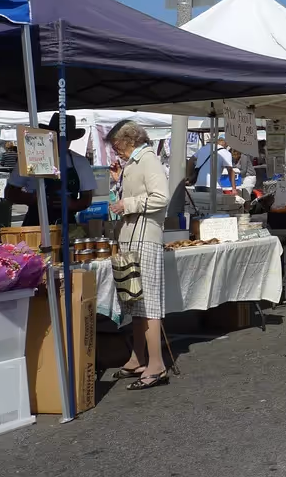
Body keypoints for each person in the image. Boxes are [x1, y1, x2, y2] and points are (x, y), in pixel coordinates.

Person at [107, 120, 170, 391]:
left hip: (145, 237)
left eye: (117, 145)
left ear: (128, 140)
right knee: (135, 301)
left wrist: (127, 203)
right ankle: (138, 357)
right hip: (132, 237)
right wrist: (118, 182)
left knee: (149, 302)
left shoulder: (148, 160)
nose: (115, 151)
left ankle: (156, 364)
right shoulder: (134, 162)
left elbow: (161, 197)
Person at [5, 114, 96, 227]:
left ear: (71, 138)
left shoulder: (80, 162)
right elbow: (10, 192)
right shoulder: (32, 157)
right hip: (35, 221)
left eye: (65, 138)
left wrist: (72, 204)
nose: (61, 141)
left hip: (67, 222)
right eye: (57, 136)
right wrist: (35, 199)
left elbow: (87, 198)